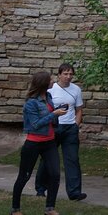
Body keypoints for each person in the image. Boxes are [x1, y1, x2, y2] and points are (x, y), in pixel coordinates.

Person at [10, 70, 66, 215]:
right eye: (50, 80)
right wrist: (54, 114)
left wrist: (56, 114)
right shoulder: (31, 103)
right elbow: (34, 125)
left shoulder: (48, 97)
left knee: (55, 174)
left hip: (49, 142)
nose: (52, 81)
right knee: (24, 176)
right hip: (34, 143)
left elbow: (49, 117)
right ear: (43, 83)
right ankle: (15, 208)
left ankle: (50, 209)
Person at [34, 62, 86, 201]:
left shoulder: (76, 89)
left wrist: (76, 124)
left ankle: (74, 193)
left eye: (71, 74)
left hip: (70, 129)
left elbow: (79, 109)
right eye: (65, 74)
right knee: (48, 159)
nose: (68, 77)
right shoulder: (51, 90)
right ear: (59, 75)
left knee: (72, 160)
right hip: (53, 128)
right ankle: (40, 188)